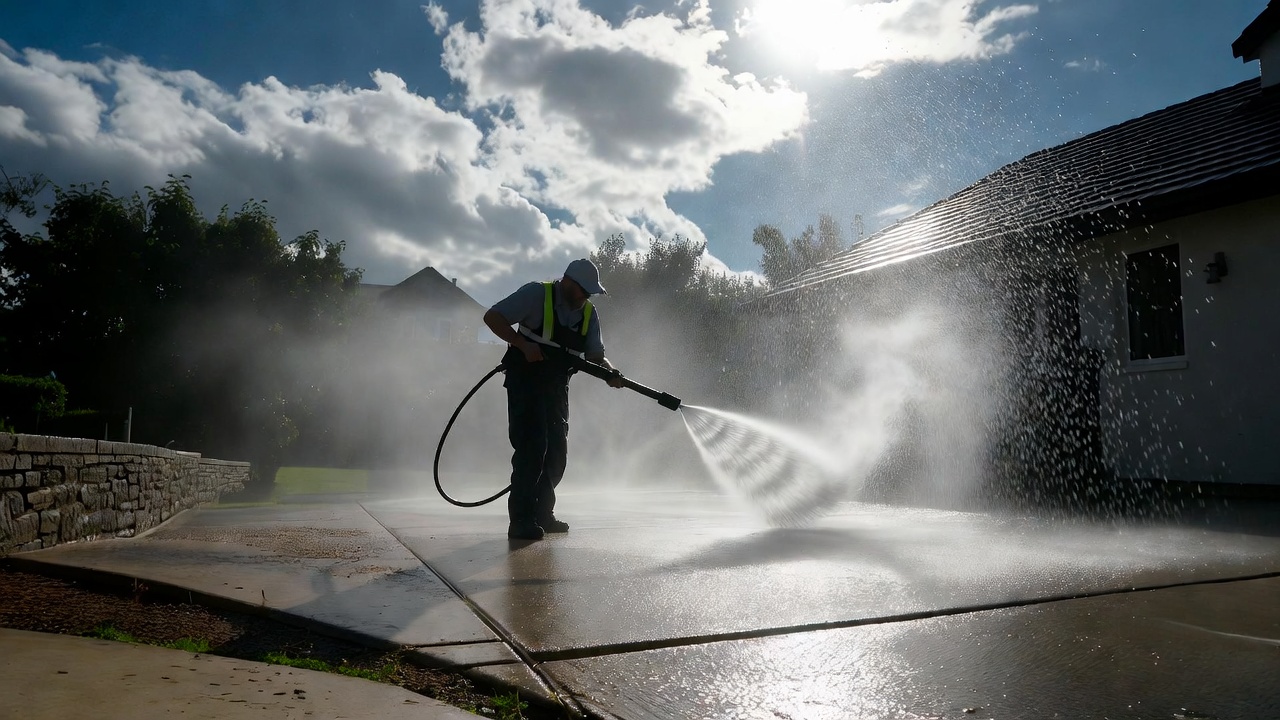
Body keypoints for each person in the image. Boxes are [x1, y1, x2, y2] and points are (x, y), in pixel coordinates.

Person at [483, 258, 625, 540]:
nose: (586, 297)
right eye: (583, 291)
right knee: (533, 448)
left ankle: (542, 515)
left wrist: (610, 372)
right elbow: (493, 317)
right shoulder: (537, 294)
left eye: (590, 293)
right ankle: (521, 521)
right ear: (568, 282)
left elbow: (595, 355)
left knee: (557, 452)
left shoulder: (588, 313)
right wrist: (523, 344)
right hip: (525, 381)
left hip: (556, 387)